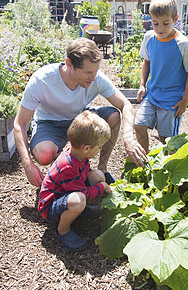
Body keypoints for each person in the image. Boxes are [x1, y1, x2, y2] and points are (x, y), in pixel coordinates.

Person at [14, 37, 146, 188]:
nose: (93, 77)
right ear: (69, 64)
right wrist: (27, 164)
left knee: (114, 116)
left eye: (96, 71)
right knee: (44, 155)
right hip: (49, 123)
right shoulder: (42, 80)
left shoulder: (95, 78)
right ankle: (72, 171)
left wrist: (128, 136)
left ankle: (102, 170)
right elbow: (20, 124)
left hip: (78, 119)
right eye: (88, 72)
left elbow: (126, 105)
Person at [39, 111, 112, 251]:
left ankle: (82, 210)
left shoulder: (79, 155)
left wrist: (100, 183)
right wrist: (102, 187)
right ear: (87, 148)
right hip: (51, 206)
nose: (100, 149)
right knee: (79, 200)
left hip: (67, 193)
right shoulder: (67, 165)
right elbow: (81, 192)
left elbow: (81, 181)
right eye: (100, 147)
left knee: (97, 175)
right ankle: (62, 230)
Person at [135, 0, 188, 153]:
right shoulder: (149, 38)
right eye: (155, 23)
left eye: (165, 23)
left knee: (166, 139)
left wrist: (185, 101)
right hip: (152, 95)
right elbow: (147, 62)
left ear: (175, 19)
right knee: (139, 125)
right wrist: (142, 84)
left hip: (172, 100)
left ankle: (167, 171)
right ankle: (145, 163)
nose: (160, 28)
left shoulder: (183, 44)